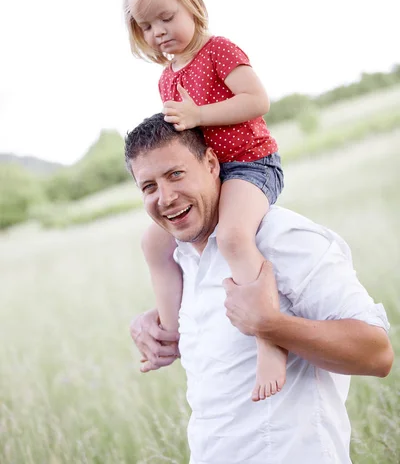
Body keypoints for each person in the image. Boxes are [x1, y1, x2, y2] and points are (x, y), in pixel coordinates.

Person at [125, 114, 393, 464]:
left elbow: (377, 354)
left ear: (210, 163)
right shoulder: (183, 261)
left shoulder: (282, 238)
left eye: (176, 174)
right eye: (149, 187)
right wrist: (152, 323)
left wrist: (269, 324)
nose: (165, 197)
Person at [123, 0, 285, 401]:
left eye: (167, 17)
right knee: (153, 243)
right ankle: (172, 331)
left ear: (192, 3)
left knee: (233, 237)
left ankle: (270, 339)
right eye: (147, 25)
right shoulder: (166, 77)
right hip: (210, 176)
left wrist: (200, 114)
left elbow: (258, 99)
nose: (158, 31)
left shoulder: (220, 51)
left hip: (251, 164)